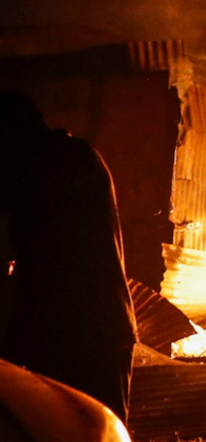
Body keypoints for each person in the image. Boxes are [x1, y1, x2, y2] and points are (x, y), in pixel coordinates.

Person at [0, 90, 137, 422]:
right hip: (103, 329)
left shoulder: (39, 171)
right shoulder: (79, 157)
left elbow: (39, 261)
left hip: (71, 336)